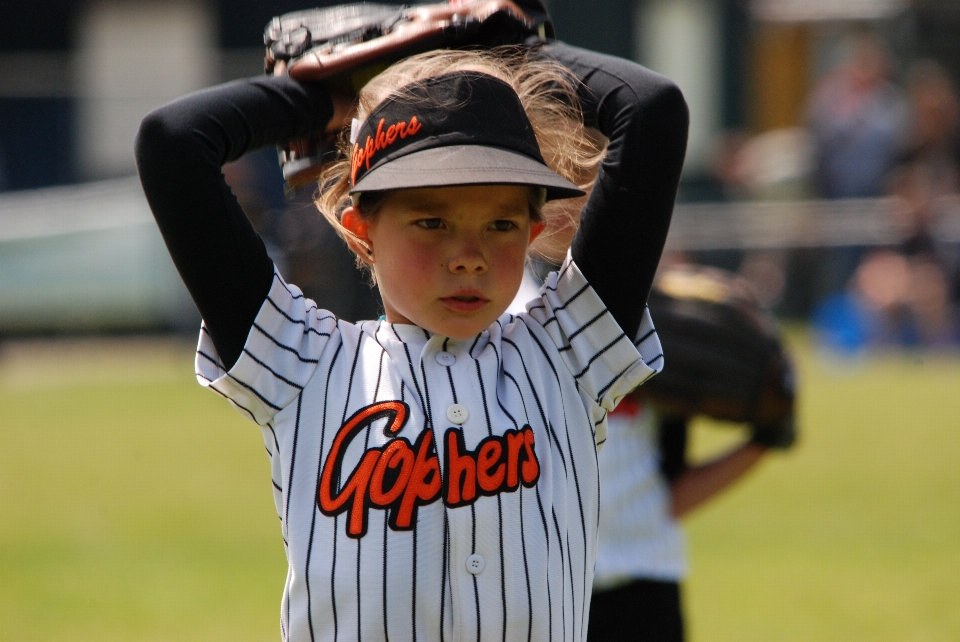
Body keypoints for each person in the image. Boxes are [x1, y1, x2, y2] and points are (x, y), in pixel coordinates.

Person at [135, 41, 688, 642]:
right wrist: (330, 96)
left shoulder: (567, 351)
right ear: (360, 229)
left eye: (500, 224)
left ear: (534, 230)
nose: (469, 257)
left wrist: (499, 38)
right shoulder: (303, 361)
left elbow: (652, 111)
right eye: (432, 221)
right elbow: (173, 141)